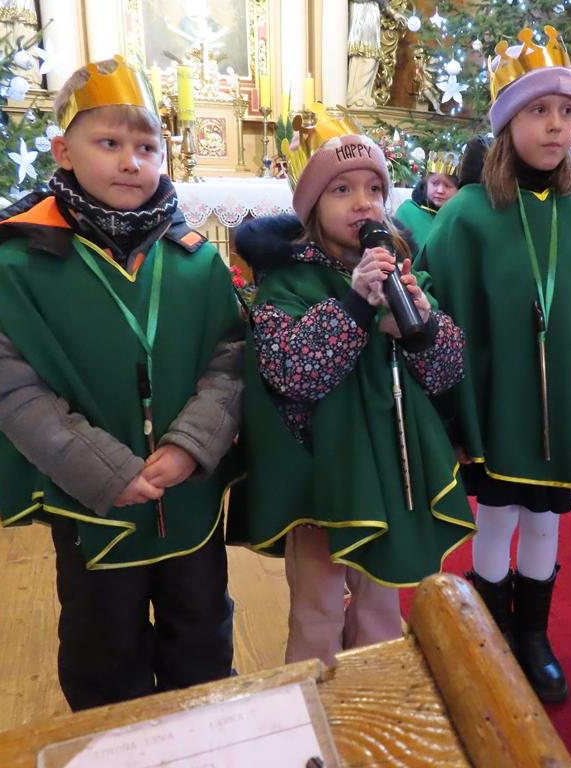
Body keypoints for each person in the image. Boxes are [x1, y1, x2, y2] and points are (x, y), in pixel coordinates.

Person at [0, 56, 244, 711]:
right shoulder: (23, 265)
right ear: (64, 151)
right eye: (109, 143)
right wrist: (101, 468)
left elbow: (232, 361)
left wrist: (190, 446)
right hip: (93, 503)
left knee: (202, 639)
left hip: (187, 496)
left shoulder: (195, 261)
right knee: (104, 652)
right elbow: (12, 388)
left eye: (147, 147)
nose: (131, 162)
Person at [420, 26, 571, 703]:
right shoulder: (468, 215)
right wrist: (452, 411)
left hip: (562, 404)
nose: (556, 125)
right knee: (497, 515)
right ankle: (490, 634)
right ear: (508, 123)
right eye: (539, 110)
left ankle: (534, 635)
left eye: (567, 111)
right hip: (497, 398)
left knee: (545, 518)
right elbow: (435, 310)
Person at [228, 104, 475, 667]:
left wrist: (421, 326)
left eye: (374, 188)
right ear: (313, 204)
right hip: (319, 477)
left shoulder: (401, 272)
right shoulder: (286, 282)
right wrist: (355, 309)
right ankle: (316, 704)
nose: (363, 202)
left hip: (388, 473)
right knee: (317, 610)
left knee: (381, 605)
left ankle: (373, 697)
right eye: (342, 189)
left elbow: (445, 372)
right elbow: (294, 372)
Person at [394, 150, 460, 255]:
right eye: (435, 183)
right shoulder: (407, 211)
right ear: (426, 184)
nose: (440, 190)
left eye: (447, 186)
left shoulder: (460, 219)